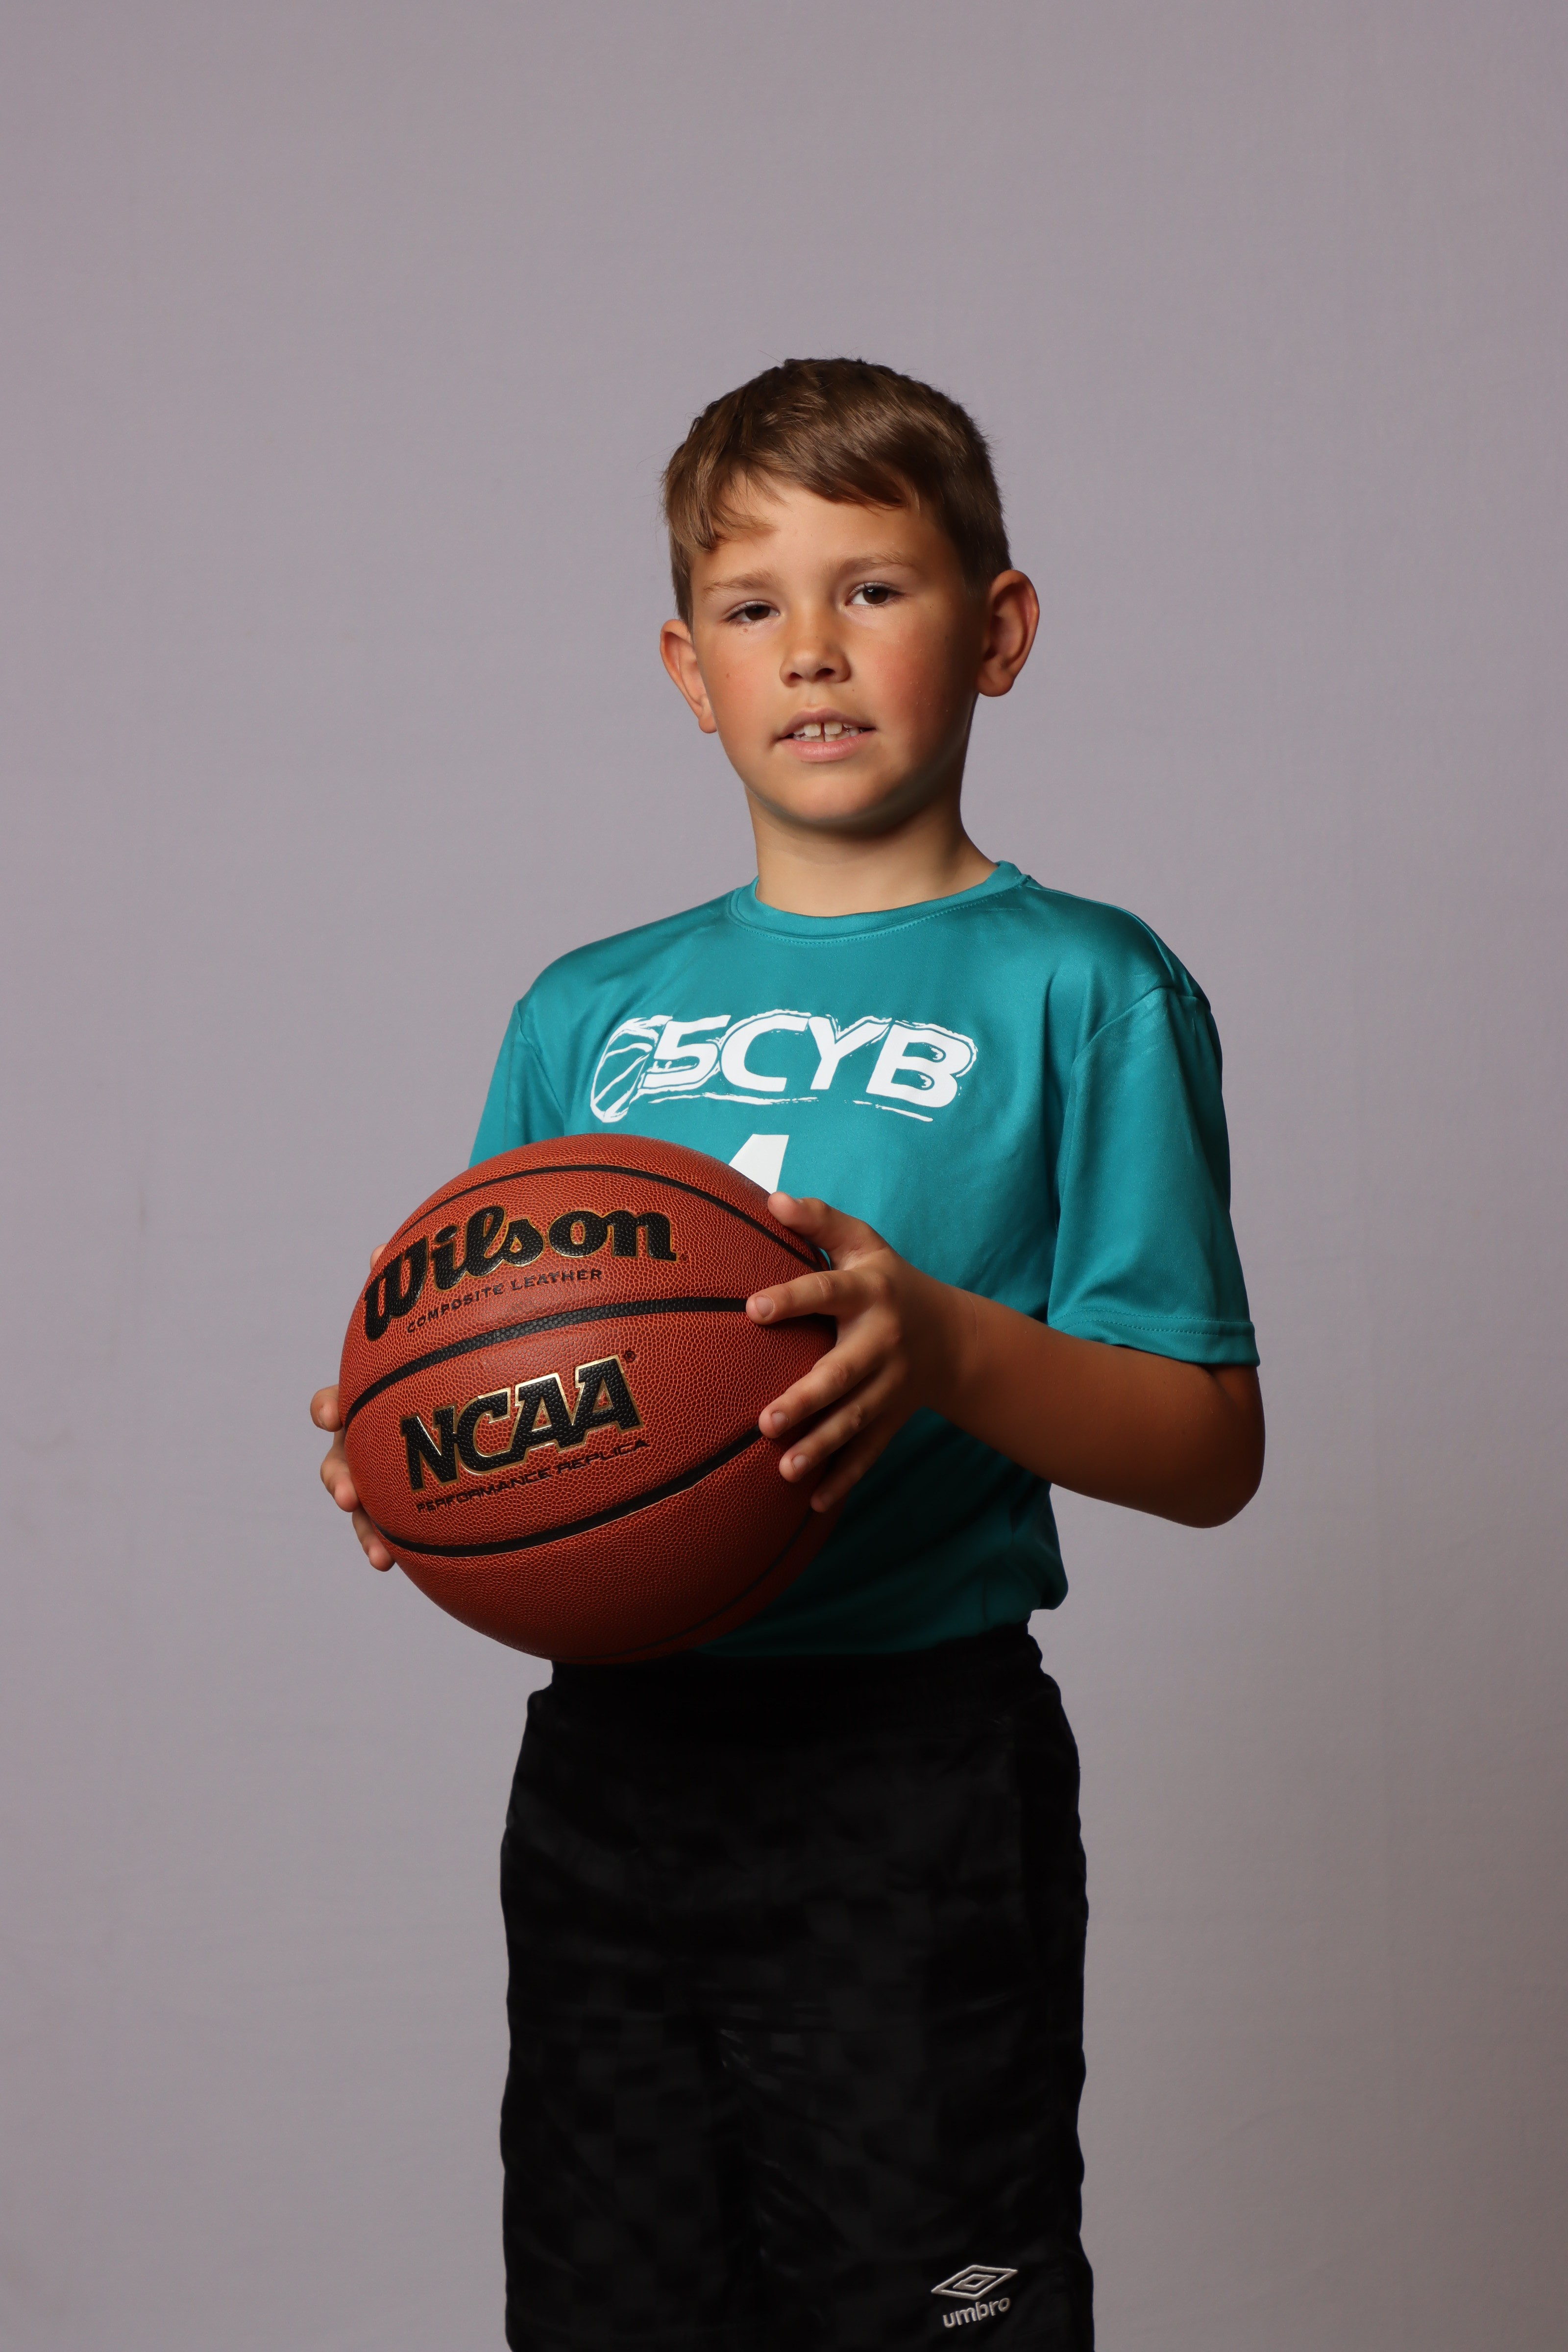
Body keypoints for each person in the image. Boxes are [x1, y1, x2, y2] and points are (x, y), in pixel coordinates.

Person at [312, 357, 1263, 2351]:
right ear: (689, 668)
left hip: (907, 1782)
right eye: (753, 605)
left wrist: (936, 1345)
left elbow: (1204, 1445)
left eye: (874, 589)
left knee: (941, 2313)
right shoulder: (584, 1010)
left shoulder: (1085, 986)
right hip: (613, 1768)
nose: (812, 648)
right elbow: (485, 1350)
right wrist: (416, 1460)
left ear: (998, 630)